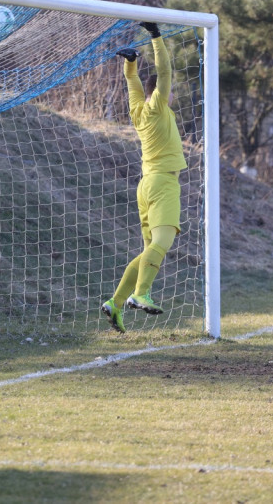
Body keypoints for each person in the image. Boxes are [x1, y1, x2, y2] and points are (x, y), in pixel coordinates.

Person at [101, 22, 186, 333]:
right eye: (168, 90)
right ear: (162, 93)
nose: (171, 91)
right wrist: (156, 37)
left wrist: (131, 61)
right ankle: (140, 294)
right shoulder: (157, 107)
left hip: (145, 186)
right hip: (163, 184)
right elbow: (165, 73)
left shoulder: (137, 110)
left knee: (148, 252)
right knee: (162, 243)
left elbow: (131, 81)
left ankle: (115, 303)